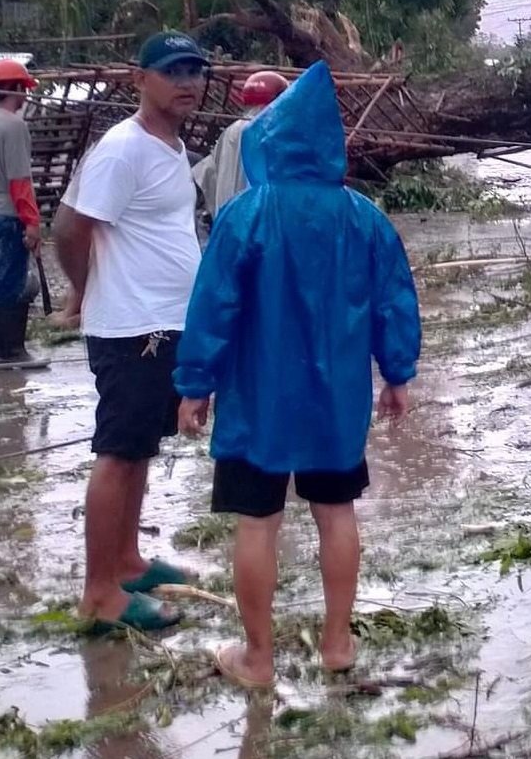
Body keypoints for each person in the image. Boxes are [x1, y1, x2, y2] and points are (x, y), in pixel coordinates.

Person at [174, 61, 421, 689]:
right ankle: (337, 645)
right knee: (336, 514)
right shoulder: (365, 218)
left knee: (257, 523)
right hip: (334, 403)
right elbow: (395, 299)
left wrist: (195, 382)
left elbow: (213, 304)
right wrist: (397, 374)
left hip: (257, 401)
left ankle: (258, 660)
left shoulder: (245, 215)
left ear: (273, 139)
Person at [53, 31, 212, 633]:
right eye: (173, 70)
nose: (188, 81)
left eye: (196, 70)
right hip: (131, 329)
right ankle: (98, 595)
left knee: (142, 445)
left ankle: (126, 561)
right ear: (139, 79)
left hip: (164, 323)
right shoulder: (123, 149)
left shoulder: (169, 147)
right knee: (118, 453)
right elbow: (69, 227)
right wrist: (88, 289)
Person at [0, 58, 43, 367]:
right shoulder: (15, 126)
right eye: (24, 89)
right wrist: (32, 223)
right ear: (15, 88)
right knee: (10, 285)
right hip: (8, 215)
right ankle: (11, 350)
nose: (26, 95)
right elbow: (20, 182)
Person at [193, 70, 288, 220]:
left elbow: (208, 174)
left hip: (228, 219)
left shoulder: (232, 130)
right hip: (258, 220)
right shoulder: (273, 130)